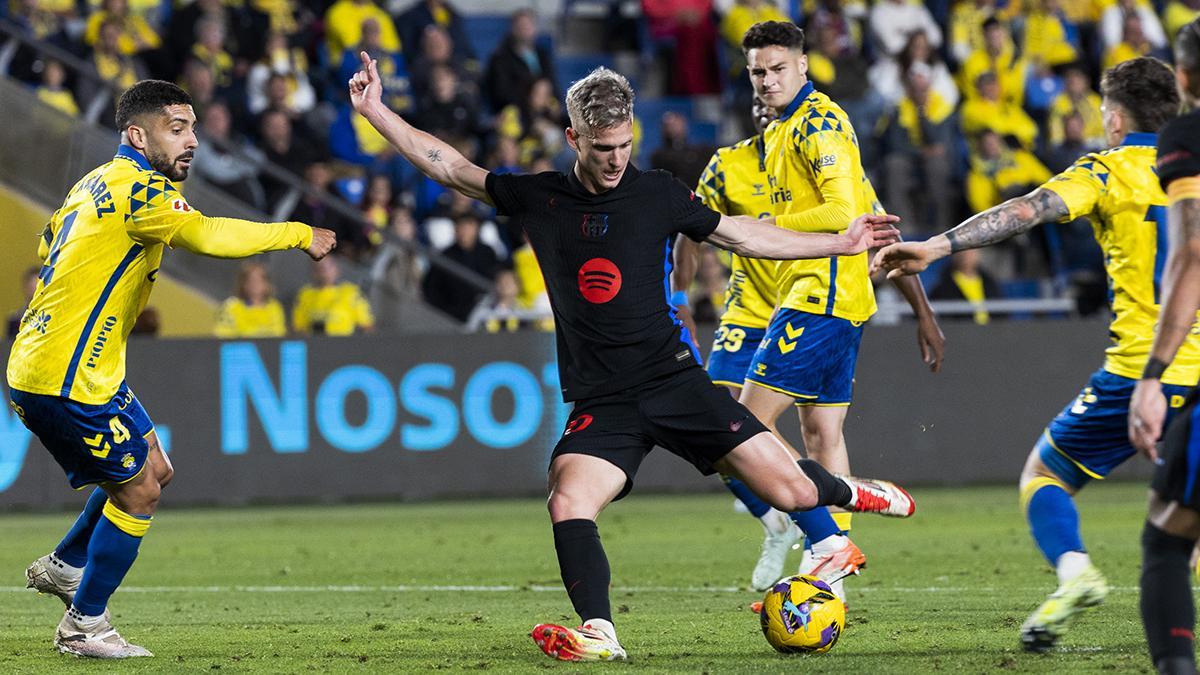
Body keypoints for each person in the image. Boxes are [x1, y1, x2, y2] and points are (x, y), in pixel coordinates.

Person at [348, 50, 916, 661]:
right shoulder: (540, 197)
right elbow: (449, 165)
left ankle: (847, 492)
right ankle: (600, 631)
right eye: (601, 148)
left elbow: (746, 234)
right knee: (567, 497)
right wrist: (377, 110)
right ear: (573, 138)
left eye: (623, 145)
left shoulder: (658, 195)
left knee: (793, 494)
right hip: (606, 400)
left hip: (674, 380)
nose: (616, 159)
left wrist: (842, 241)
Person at [10, 80, 335, 659]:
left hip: (80, 367)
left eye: (192, 129)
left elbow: (45, 245)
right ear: (138, 134)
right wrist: (298, 234)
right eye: (176, 129)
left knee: (156, 469)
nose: (191, 142)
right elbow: (207, 233)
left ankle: (66, 566)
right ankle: (84, 626)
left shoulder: (93, 183)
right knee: (137, 493)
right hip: (64, 376)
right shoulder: (140, 191)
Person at [874, 57, 1189, 653]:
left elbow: (1026, 210)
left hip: (1138, 372)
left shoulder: (1106, 169)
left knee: (1045, 474)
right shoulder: (1193, 170)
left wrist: (937, 247)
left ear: (1115, 118)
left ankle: (1077, 572)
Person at [722, 21, 944, 600]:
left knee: (736, 430)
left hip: (816, 295)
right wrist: (920, 308)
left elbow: (842, 211)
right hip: (840, 297)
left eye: (777, 69)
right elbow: (869, 208)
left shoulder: (817, 122)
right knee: (822, 434)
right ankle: (832, 581)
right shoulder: (786, 127)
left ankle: (843, 501)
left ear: (803, 66)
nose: (767, 80)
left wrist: (760, 230)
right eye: (757, 72)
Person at [1127, 19, 1200, 675]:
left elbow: (1194, 252)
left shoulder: (1188, 134)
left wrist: (1153, 373)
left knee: (1167, 536)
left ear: (1185, 77)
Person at [292, 256, 375, 336]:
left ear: (336, 269)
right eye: (318, 268)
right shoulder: (305, 294)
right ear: (312, 271)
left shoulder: (351, 292)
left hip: (343, 345)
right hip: (314, 346)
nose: (322, 271)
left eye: (327, 267)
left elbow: (367, 326)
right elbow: (298, 327)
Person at [214, 262, 288, 338]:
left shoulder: (274, 307)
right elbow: (222, 335)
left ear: (267, 284)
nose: (255, 284)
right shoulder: (230, 306)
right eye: (251, 280)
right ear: (243, 284)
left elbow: (279, 334)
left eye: (260, 280)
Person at [7, 267, 40, 339]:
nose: (37, 287)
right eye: (34, 283)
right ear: (26, 287)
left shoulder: (52, 315)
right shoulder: (15, 320)